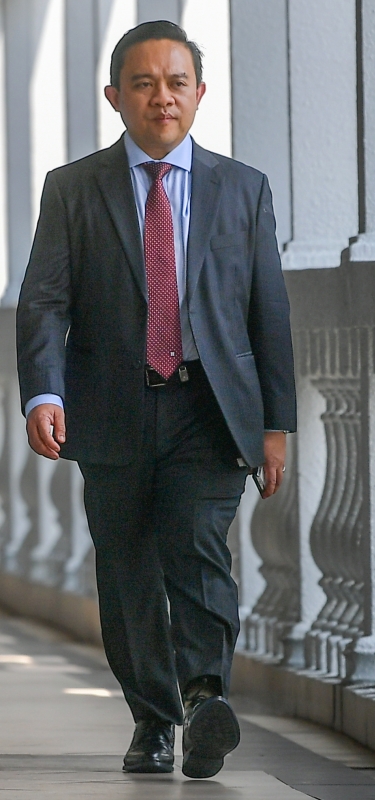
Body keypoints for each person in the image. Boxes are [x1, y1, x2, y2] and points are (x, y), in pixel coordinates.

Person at [15, 21, 296, 779]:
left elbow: (268, 314)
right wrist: (43, 390)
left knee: (201, 552)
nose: (161, 97)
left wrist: (275, 425)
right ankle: (152, 719)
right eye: (143, 83)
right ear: (116, 96)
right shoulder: (73, 188)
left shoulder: (244, 189)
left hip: (209, 409)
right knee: (128, 569)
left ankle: (206, 699)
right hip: (110, 409)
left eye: (176, 83)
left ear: (199, 93)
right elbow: (44, 302)